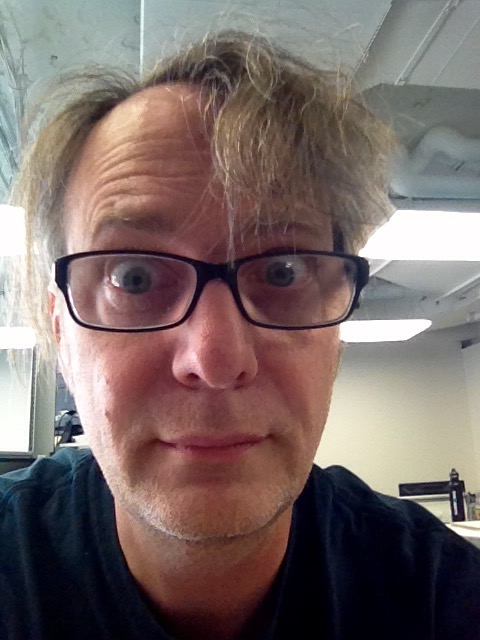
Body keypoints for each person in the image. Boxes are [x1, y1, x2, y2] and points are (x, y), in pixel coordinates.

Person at [1, 31, 479, 640]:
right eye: (134, 277)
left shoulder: (443, 593)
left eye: (283, 272)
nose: (216, 359)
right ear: (59, 329)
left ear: (336, 331)